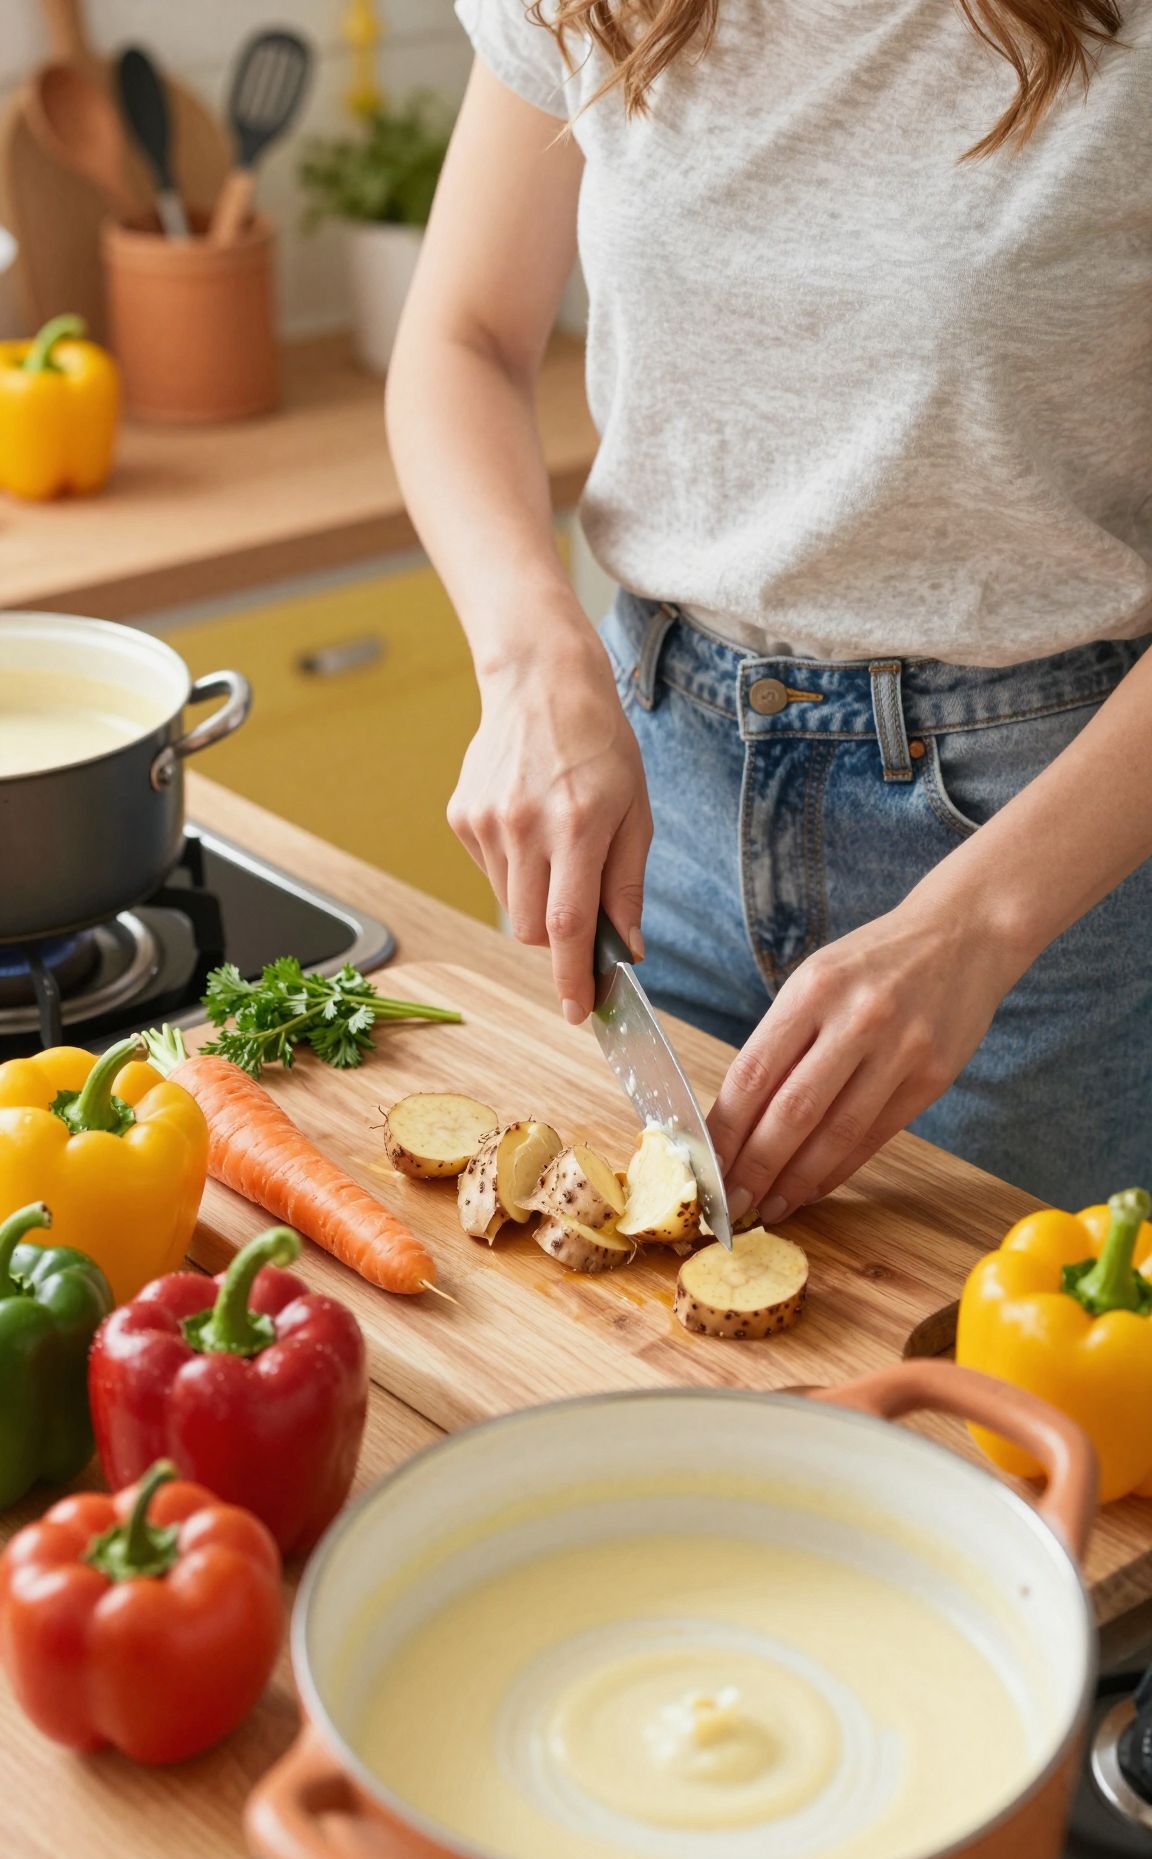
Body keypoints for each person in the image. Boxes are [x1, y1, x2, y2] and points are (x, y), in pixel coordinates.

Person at [386, 0, 1152, 1221]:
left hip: (1044, 866)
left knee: (992, 1339)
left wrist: (980, 926)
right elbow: (462, 336)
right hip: (654, 813)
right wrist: (531, 657)